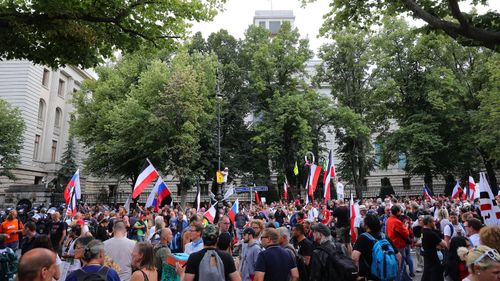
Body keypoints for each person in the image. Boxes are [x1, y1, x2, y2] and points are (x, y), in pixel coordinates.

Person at [352, 213, 401, 281]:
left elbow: (355, 257)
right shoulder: (384, 237)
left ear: (366, 225)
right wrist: (392, 271)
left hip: (369, 276)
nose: (361, 222)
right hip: (386, 276)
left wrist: (355, 275)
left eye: (363, 221)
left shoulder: (363, 238)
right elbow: (398, 256)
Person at [385, 205, 410, 281]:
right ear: (397, 212)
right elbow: (406, 234)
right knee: (400, 267)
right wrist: (406, 226)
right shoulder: (397, 221)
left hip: (392, 244)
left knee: (401, 265)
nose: (401, 213)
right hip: (399, 246)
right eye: (400, 211)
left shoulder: (389, 219)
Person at [421, 215, 447, 281]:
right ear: (429, 222)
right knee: (436, 275)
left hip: (426, 255)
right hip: (434, 257)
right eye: (433, 221)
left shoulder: (422, 231)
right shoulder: (432, 234)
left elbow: (422, 241)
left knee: (427, 274)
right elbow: (444, 244)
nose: (435, 223)